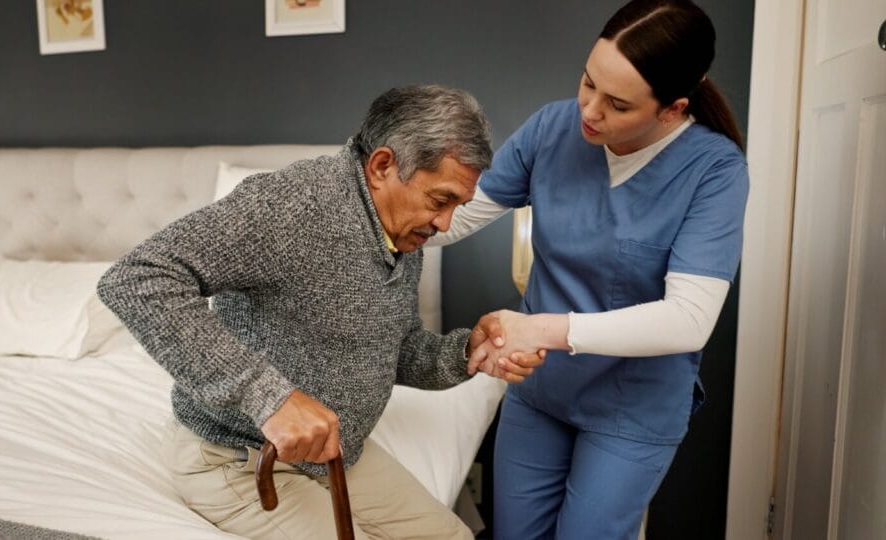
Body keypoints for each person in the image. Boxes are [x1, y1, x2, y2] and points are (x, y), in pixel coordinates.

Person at [97, 85, 543, 540]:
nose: (446, 224)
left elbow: (393, 348)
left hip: (336, 455)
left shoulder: (400, 229)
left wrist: (464, 351)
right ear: (383, 166)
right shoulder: (292, 206)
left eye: (457, 206)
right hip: (239, 460)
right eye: (439, 201)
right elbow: (138, 278)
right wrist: (267, 396)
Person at [433, 1, 750, 538]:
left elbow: (689, 320)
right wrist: (380, 219)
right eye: (587, 82)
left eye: (617, 104)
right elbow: (453, 217)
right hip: (542, 390)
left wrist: (541, 328)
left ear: (671, 108)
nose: (590, 110)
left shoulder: (715, 171)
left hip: (633, 407)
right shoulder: (552, 129)